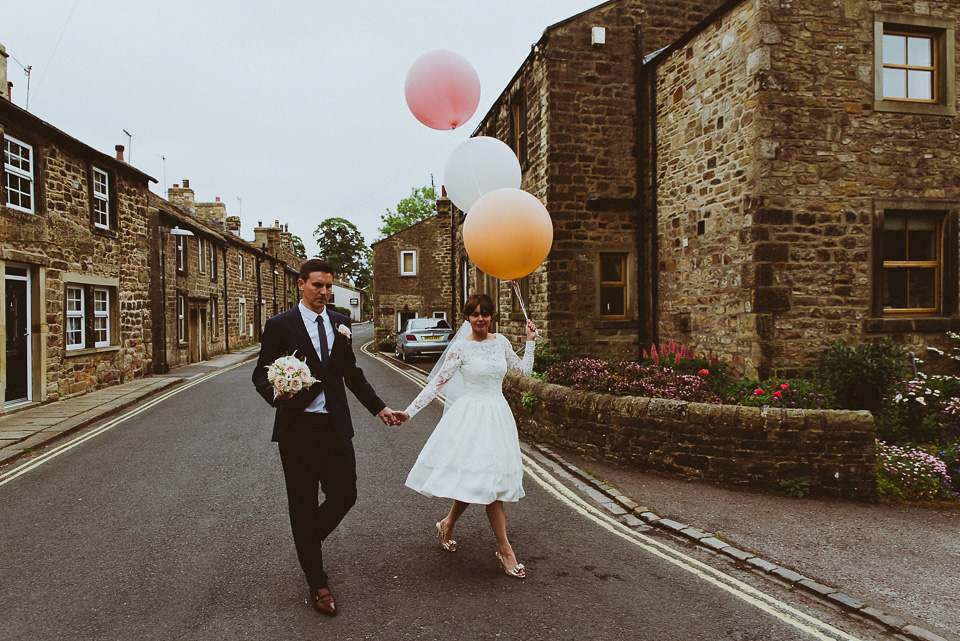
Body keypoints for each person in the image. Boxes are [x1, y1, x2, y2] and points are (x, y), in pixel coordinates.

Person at [252, 258, 402, 616]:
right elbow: (261, 373)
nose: (325, 292)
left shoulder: (340, 322)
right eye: (318, 285)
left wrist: (379, 407)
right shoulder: (280, 325)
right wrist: (277, 393)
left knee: (345, 494)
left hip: (335, 426)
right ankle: (318, 583)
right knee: (302, 503)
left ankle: (306, 539)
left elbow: (350, 372)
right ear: (301, 285)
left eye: (329, 286)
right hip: (298, 430)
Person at [395, 293, 537, 579]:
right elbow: (436, 383)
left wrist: (531, 341)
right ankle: (505, 550)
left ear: (492, 316)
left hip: (497, 417)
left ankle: (447, 524)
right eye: (475, 314)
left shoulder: (502, 343)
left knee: (478, 481)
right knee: (488, 485)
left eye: (485, 313)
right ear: (467, 317)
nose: (481, 318)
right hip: (470, 419)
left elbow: (523, 371)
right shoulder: (460, 348)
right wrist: (409, 412)